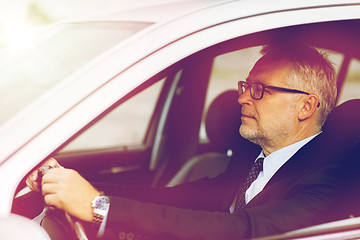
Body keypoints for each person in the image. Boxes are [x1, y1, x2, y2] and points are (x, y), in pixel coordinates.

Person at [23, 44, 360, 239]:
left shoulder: (331, 183)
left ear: (306, 106)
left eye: (260, 90)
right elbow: (185, 199)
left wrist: (100, 209)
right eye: (245, 86)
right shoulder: (253, 162)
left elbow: (242, 229)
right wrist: (73, 184)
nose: (242, 98)